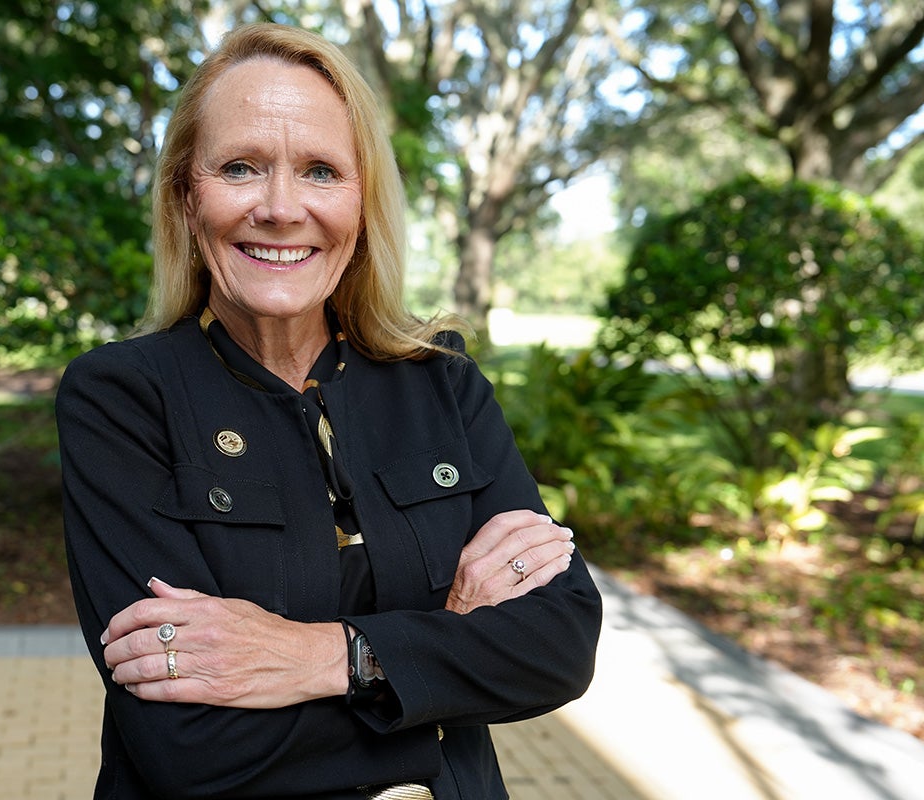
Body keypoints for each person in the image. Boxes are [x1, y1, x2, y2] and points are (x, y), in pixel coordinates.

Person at [56, 22, 602, 800]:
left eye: (320, 171)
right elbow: (189, 744)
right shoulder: (122, 397)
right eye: (240, 167)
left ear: (362, 201)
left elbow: (560, 645)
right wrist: (447, 659)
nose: (281, 209)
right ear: (186, 195)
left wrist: (328, 658)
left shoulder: (441, 379)